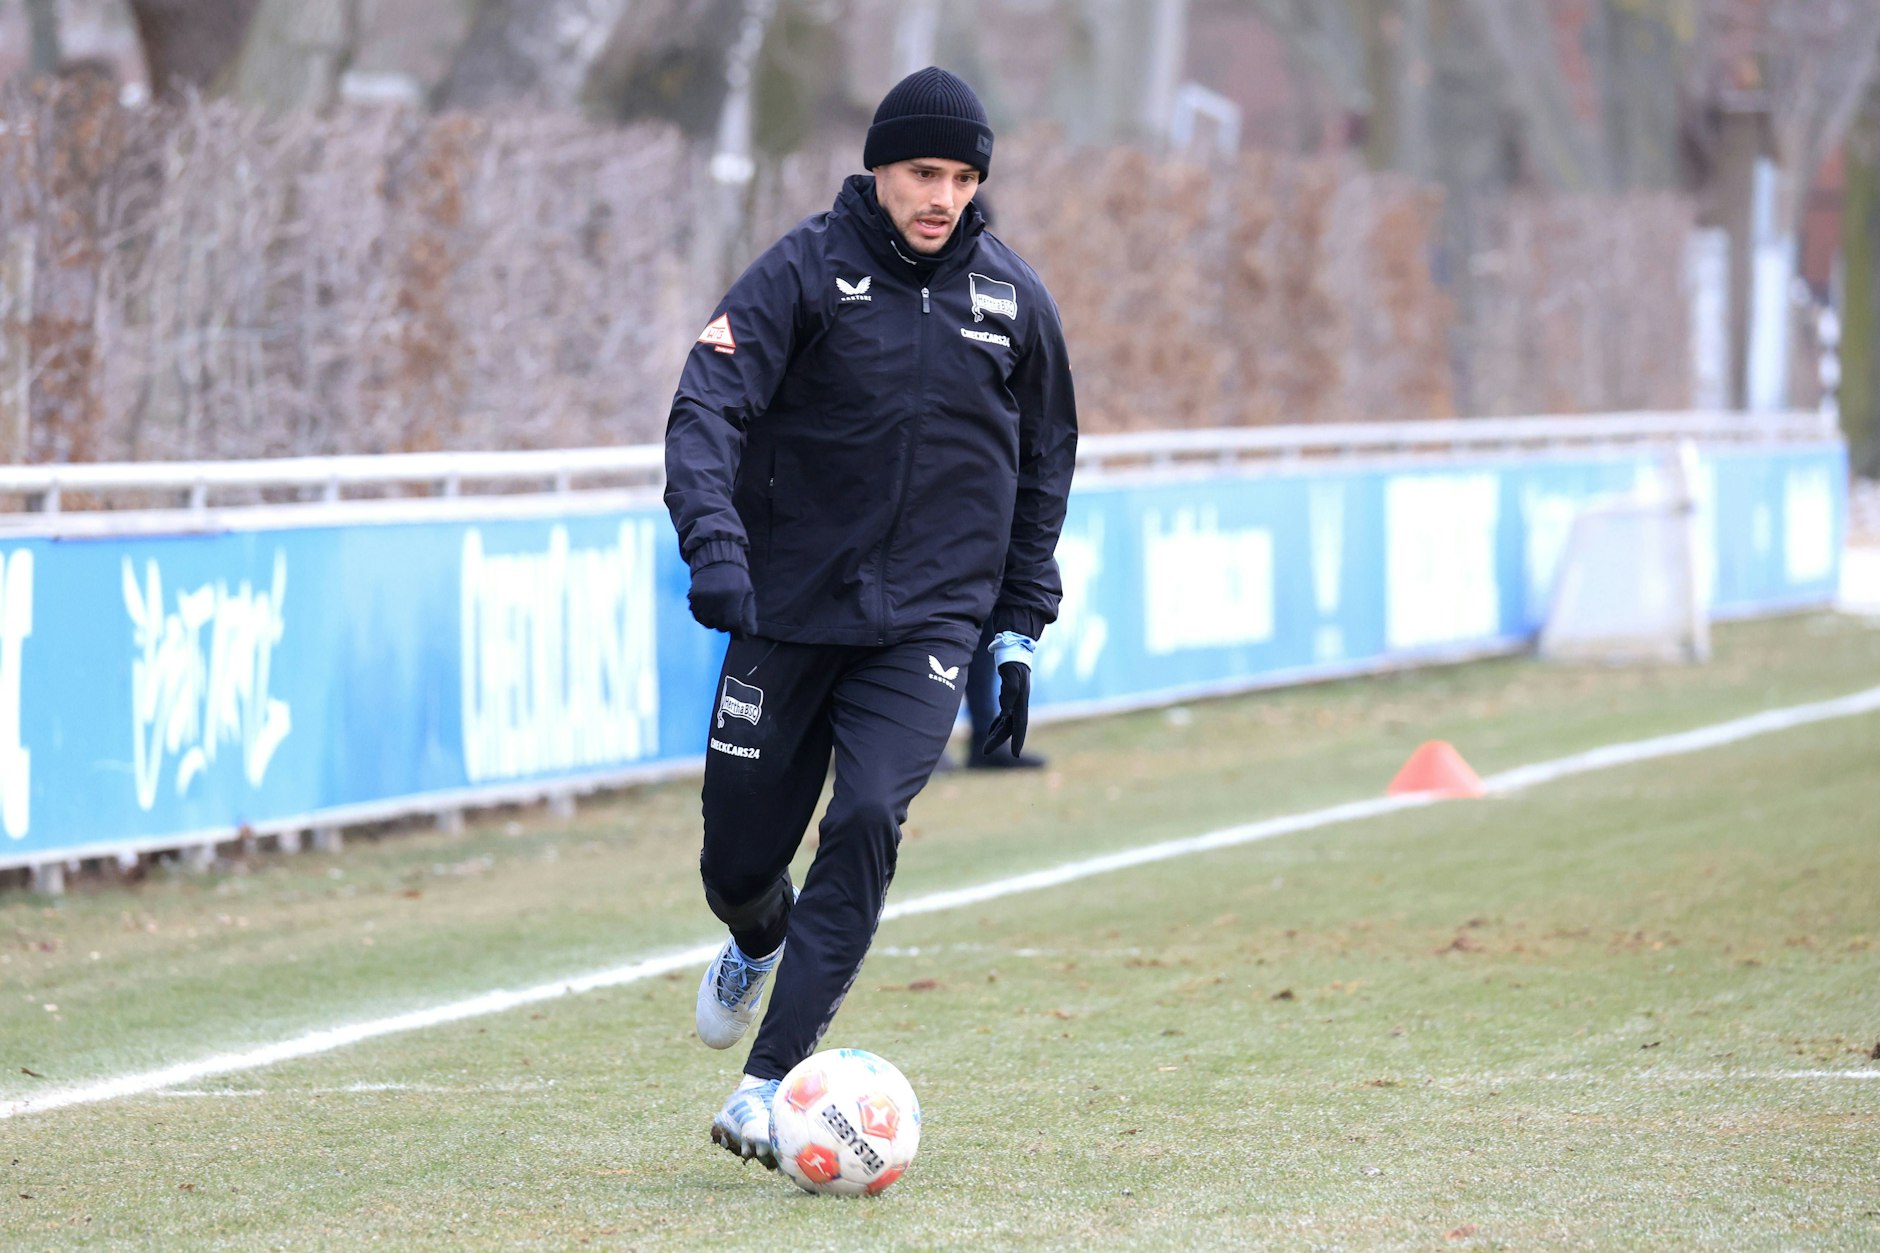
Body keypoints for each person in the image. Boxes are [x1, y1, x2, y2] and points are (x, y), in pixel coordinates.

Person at [663, 65, 1078, 1167]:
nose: (940, 195)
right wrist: (714, 547)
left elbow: (1046, 465)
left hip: (926, 627)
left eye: (959, 177)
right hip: (787, 608)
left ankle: (768, 1082)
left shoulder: (1012, 302)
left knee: (865, 820)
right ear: (879, 171)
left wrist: (1016, 620)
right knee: (736, 863)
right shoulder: (800, 272)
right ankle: (756, 933)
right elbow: (706, 405)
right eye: (919, 173)